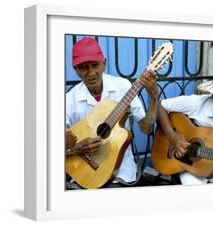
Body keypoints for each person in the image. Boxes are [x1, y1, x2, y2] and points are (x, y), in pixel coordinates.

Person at [65, 37, 158, 188]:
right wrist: (76, 148)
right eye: (83, 67)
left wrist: (153, 98)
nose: (91, 73)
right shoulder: (69, 100)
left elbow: (146, 129)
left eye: (95, 65)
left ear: (104, 63)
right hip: (83, 171)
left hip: (121, 170)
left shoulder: (123, 86)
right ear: (75, 70)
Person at [157, 69, 213, 185]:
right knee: (193, 189)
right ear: (212, 96)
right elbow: (161, 106)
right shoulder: (197, 103)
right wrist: (173, 137)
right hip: (192, 166)